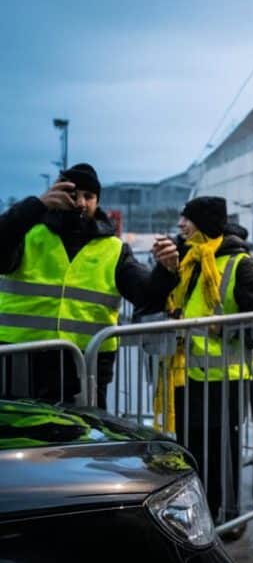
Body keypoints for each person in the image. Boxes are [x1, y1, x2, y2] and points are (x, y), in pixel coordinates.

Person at [0, 164, 179, 408]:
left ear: (98, 201)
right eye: (73, 194)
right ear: (56, 191)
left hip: (85, 367)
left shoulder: (114, 249)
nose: (80, 203)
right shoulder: (28, 234)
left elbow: (146, 296)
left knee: (82, 432)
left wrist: (166, 271)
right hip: (20, 361)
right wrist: (36, 205)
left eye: (89, 196)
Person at [168, 196, 253, 541]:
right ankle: (197, 512)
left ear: (205, 223)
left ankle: (228, 516)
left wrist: (224, 328)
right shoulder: (189, 260)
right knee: (190, 448)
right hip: (187, 373)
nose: (181, 225)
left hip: (225, 377)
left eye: (187, 219)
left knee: (221, 451)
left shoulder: (240, 263)